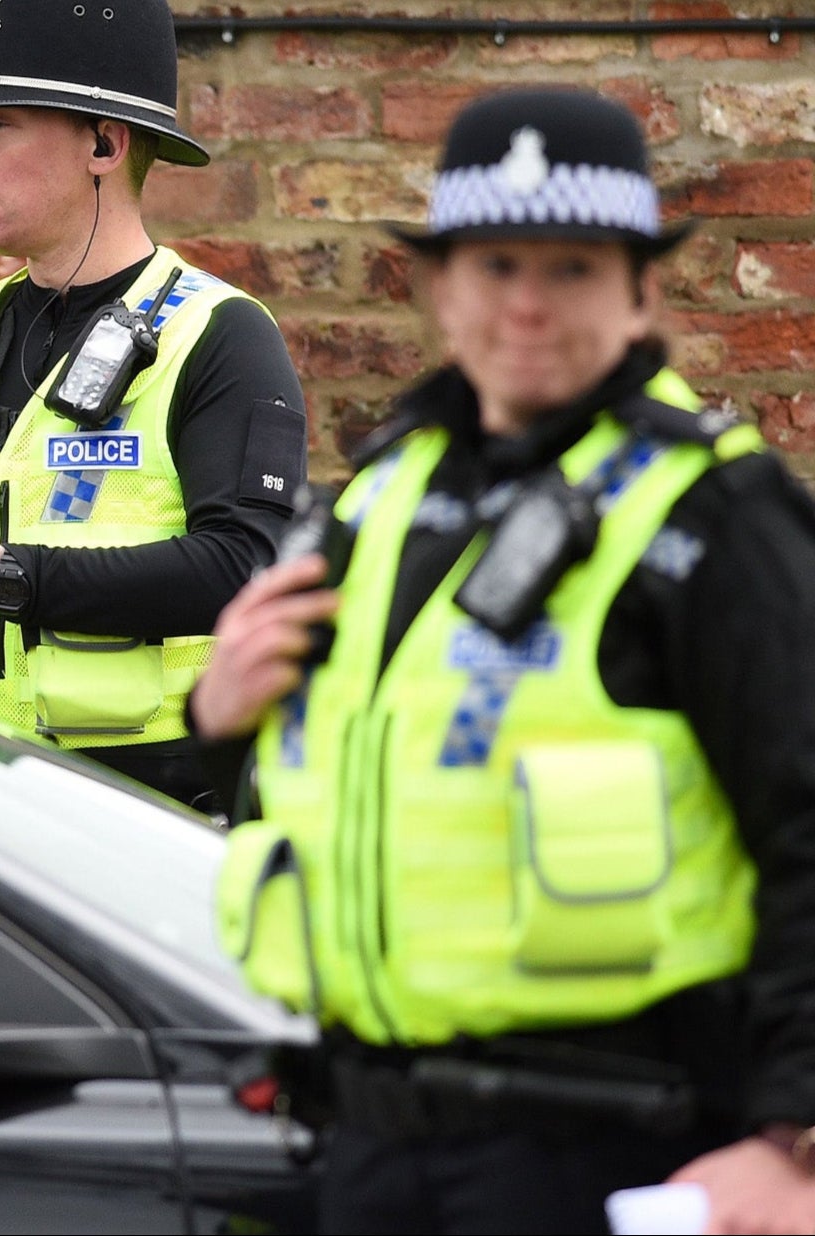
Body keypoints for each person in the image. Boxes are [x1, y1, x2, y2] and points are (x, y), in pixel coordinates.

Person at [194, 87, 815, 1234]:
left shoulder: (712, 517)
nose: (526, 305)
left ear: (639, 293)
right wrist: (218, 708)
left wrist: (796, 1146)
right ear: (437, 290)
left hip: (620, 1153)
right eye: (493, 267)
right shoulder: (383, 498)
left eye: (570, 269)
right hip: (377, 1147)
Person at [0, 0, 306, 809]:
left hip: (135, 816)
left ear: (105, 143)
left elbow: (250, 568)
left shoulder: (217, 335)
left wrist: (6, 579)